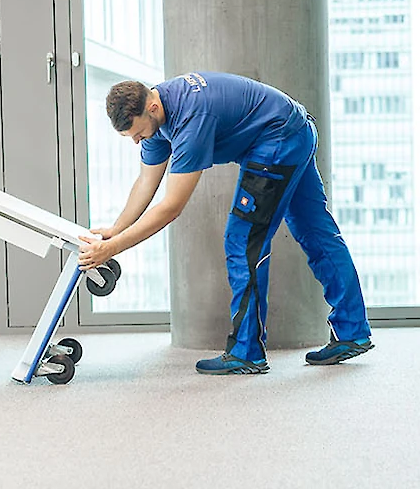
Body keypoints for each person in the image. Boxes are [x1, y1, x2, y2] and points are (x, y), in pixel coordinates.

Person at [79, 72, 373, 375]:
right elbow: (146, 181)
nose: (138, 141)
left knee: (242, 240)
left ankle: (247, 351)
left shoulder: (190, 118)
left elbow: (171, 207)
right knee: (316, 232)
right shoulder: (155, 120)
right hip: (295, 129)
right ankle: (352, 331)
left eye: (138, 134)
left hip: (279, 140)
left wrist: (114, 248)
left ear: (151, 108)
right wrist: (115, 230)